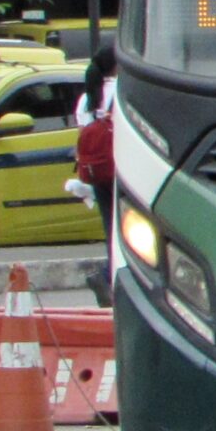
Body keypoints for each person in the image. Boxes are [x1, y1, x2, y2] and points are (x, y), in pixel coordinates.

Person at [68, 42, 118, 308]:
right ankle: (109, 276)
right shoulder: (121, 91)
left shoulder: (87, 98)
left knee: (110, 227)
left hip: (97, 171)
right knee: (125, 227)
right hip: (120, 168)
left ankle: (108, 278)